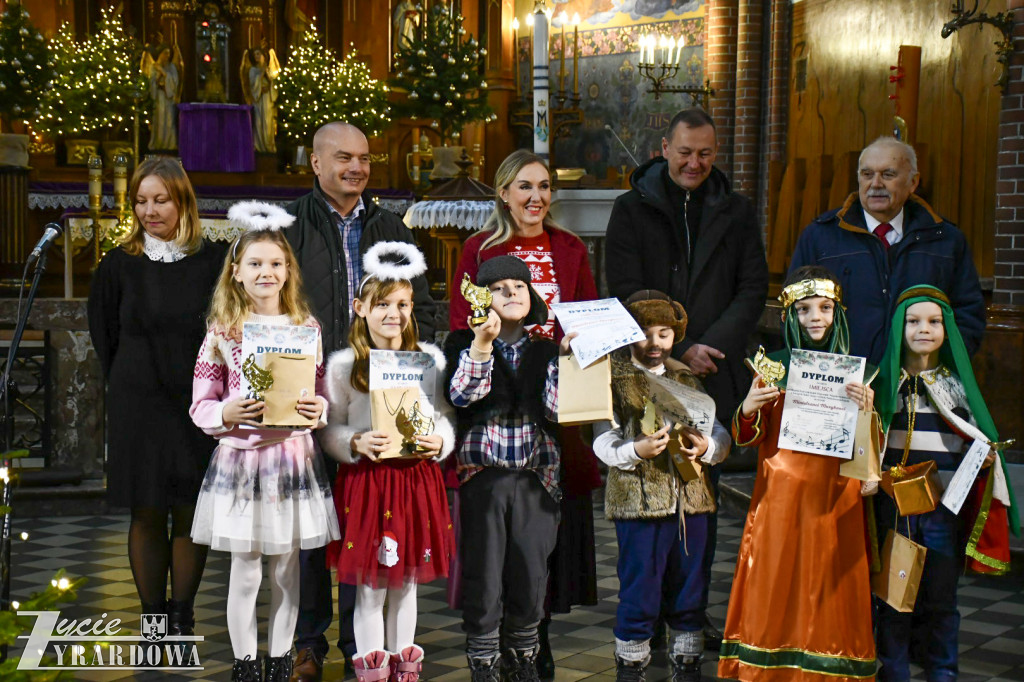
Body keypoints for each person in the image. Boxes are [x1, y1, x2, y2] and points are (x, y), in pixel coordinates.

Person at [604, 107, 769, 648]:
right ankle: (644, 617)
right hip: (648, 373)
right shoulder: (631, 209)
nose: (694, 162)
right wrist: (672, 346)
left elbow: (752, 287)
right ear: (664, 148)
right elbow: (624, 283)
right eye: (685, 152)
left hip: (711, 371)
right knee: (648, 501)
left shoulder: (737, 211)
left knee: (698, 500)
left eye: (705, 153)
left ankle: (688, 619)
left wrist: (707, 345)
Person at [285, 121, 436, 682]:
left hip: (376, 391)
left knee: (365, 522)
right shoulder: (291, 228)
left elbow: (419, 306)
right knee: (311, 526)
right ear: (317, 164)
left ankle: (359, 643)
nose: (357, 167)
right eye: (343, 157)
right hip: (308, 393)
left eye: (365, 158)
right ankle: (308, 642)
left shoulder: (390, 226)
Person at [449, 149, 600, 676]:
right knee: (494, 554)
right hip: (492, 418)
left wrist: (572, 352)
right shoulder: (478, 249)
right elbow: (459, 327)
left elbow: (588, 315)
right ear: (503, 192)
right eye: (524, 187)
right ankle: (496, 648)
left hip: (554, 416)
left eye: (544, 186)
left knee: (542, 543)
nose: (536, 197)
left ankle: (536, 639)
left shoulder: (570, 247)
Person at [189, 205, 340, 682]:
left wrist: (320, 411)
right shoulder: (223, 332)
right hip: (243, 461)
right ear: (236, 272)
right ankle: (246, 664)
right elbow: (201, 403)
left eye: (275, 263)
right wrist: (224, 413)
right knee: (247, 567)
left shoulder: (307, 328)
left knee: (286, 569)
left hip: (292, 460)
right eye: (255, 263)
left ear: (288, 271)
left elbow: (318, 393)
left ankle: (279, 659)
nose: (266, 272)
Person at [87, 157, 225, 645]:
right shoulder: (117, 264)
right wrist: (131, 380)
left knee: (190, 511)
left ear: (182, 201)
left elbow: (225, 330)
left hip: (196, 405)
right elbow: (103, 333)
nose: (150, 210)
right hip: (138, 405)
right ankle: (153, 621)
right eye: (141, 201)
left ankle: (182, 615)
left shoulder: (214, 261)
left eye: (160, 199)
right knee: (145, 512)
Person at [717, 266, 877, 682]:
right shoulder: (771, 367)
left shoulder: (858, 373)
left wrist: (866, 410)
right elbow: (749, 437)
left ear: (837, 312)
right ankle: (770, 667)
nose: (815, 318)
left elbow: (867, 445)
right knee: (777, 579)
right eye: (804, 310)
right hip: (782, 493)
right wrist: (750, 406)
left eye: (824, 308)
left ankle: (828, 667)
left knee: (829, 580)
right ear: (790, 317)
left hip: (836, 493)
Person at [319, 242, 456, 682]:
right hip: (369, 485)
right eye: (382, 304)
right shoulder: (344, 367)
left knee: (407, 583)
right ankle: (373, 669)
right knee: (372, 585)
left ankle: (405, 667)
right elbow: (328, 430)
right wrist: (355, 441)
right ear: (361, 308)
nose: (393, 314)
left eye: (402, 304)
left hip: (415, 482)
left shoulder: (428, 363)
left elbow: (443, 417)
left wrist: (440, 440)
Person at [872, 285, 1018, 682]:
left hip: (940, 512)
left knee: (940, 598)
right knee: (893, 597)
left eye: (934, 321)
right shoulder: (883, 385)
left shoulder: (955, 386)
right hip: (895, 510)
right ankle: (894, 670)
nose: (924, 329)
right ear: (898, 327)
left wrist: (986, 458)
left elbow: (976, 436)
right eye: (914, 321)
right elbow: (869, 443)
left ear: (946, 329)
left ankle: (943, 671)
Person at [593, 290, 730, 682]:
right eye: (643, 333)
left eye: (664, 334)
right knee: (640, 588)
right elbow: (601, 438)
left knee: (691, 587)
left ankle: (686, 665)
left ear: (676, 336)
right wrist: (635, 449)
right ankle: (632, 667)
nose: (654, 344)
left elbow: (716, 430)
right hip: (639, 502)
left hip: (693, 501)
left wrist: (709, 447)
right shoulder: (612, 377)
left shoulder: (685, 376)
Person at [444, 255, 568, 682]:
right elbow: (462, 397)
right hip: (484, 477)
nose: (512, 292)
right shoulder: (462, 344)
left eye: (519, 285)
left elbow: (557, 410)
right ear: (482, 299)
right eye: (499, 288)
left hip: (537, 477)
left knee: (532, 573)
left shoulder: (547, 349)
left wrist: (569, 363)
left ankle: (523, 657)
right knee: (484, 574)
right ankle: (483, 659)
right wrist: (482, 345)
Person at [788, 137, 986, 365]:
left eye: (888, 174)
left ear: (913, 183)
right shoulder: (819, 237)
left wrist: (938, 367)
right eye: (867, 174)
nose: (876, 184)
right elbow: (794, 312)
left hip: (915, 385)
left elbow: (968, 314)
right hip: (840, 385)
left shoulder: (946, 241)